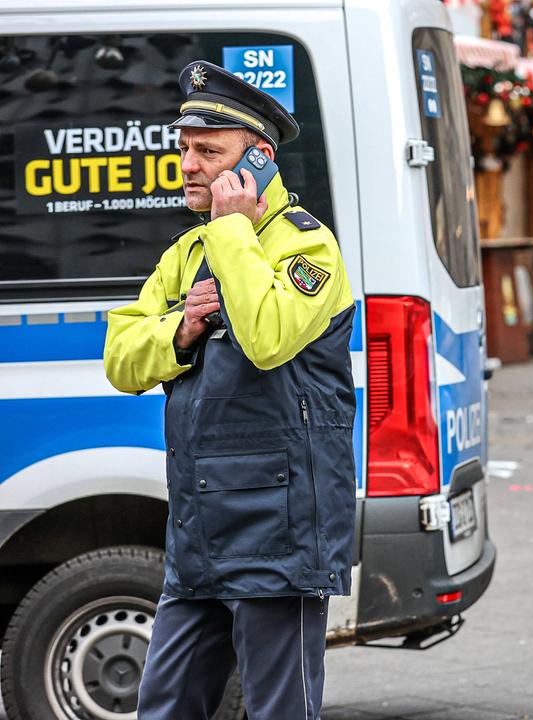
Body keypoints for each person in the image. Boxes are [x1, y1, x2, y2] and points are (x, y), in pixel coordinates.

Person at [103, 61, 357, 718]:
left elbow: (267, 336)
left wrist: (233, 228)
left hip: (280, 532)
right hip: (199, 533)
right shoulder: (186, 254)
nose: (187, 164)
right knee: (163, 706)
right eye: (184, 148)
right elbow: (121, 360)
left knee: (279, 710)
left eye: (208, 151)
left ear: (259, 160)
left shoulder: (309, 249)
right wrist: (181, 329)